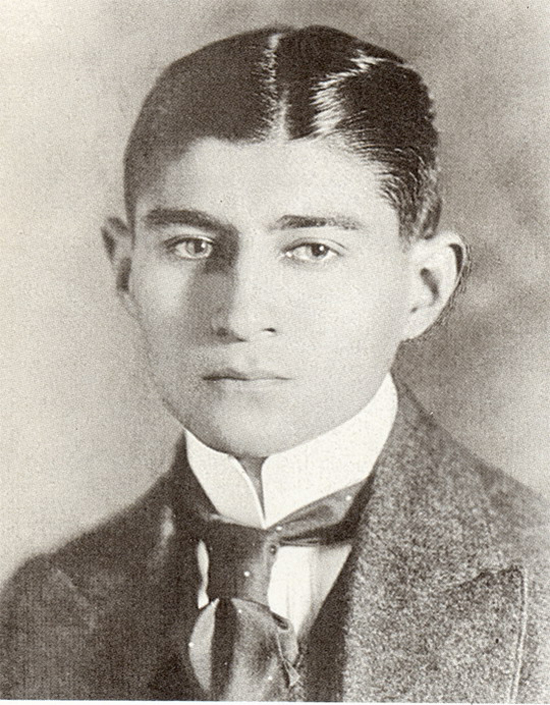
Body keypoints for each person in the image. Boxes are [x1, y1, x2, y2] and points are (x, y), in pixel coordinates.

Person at [1, 25, 548, 702]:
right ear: (125, 271)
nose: (240, 313)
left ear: (424, 288)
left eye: (312, 249)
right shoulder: (39, 606)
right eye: (192, 244)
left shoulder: (538, 575)